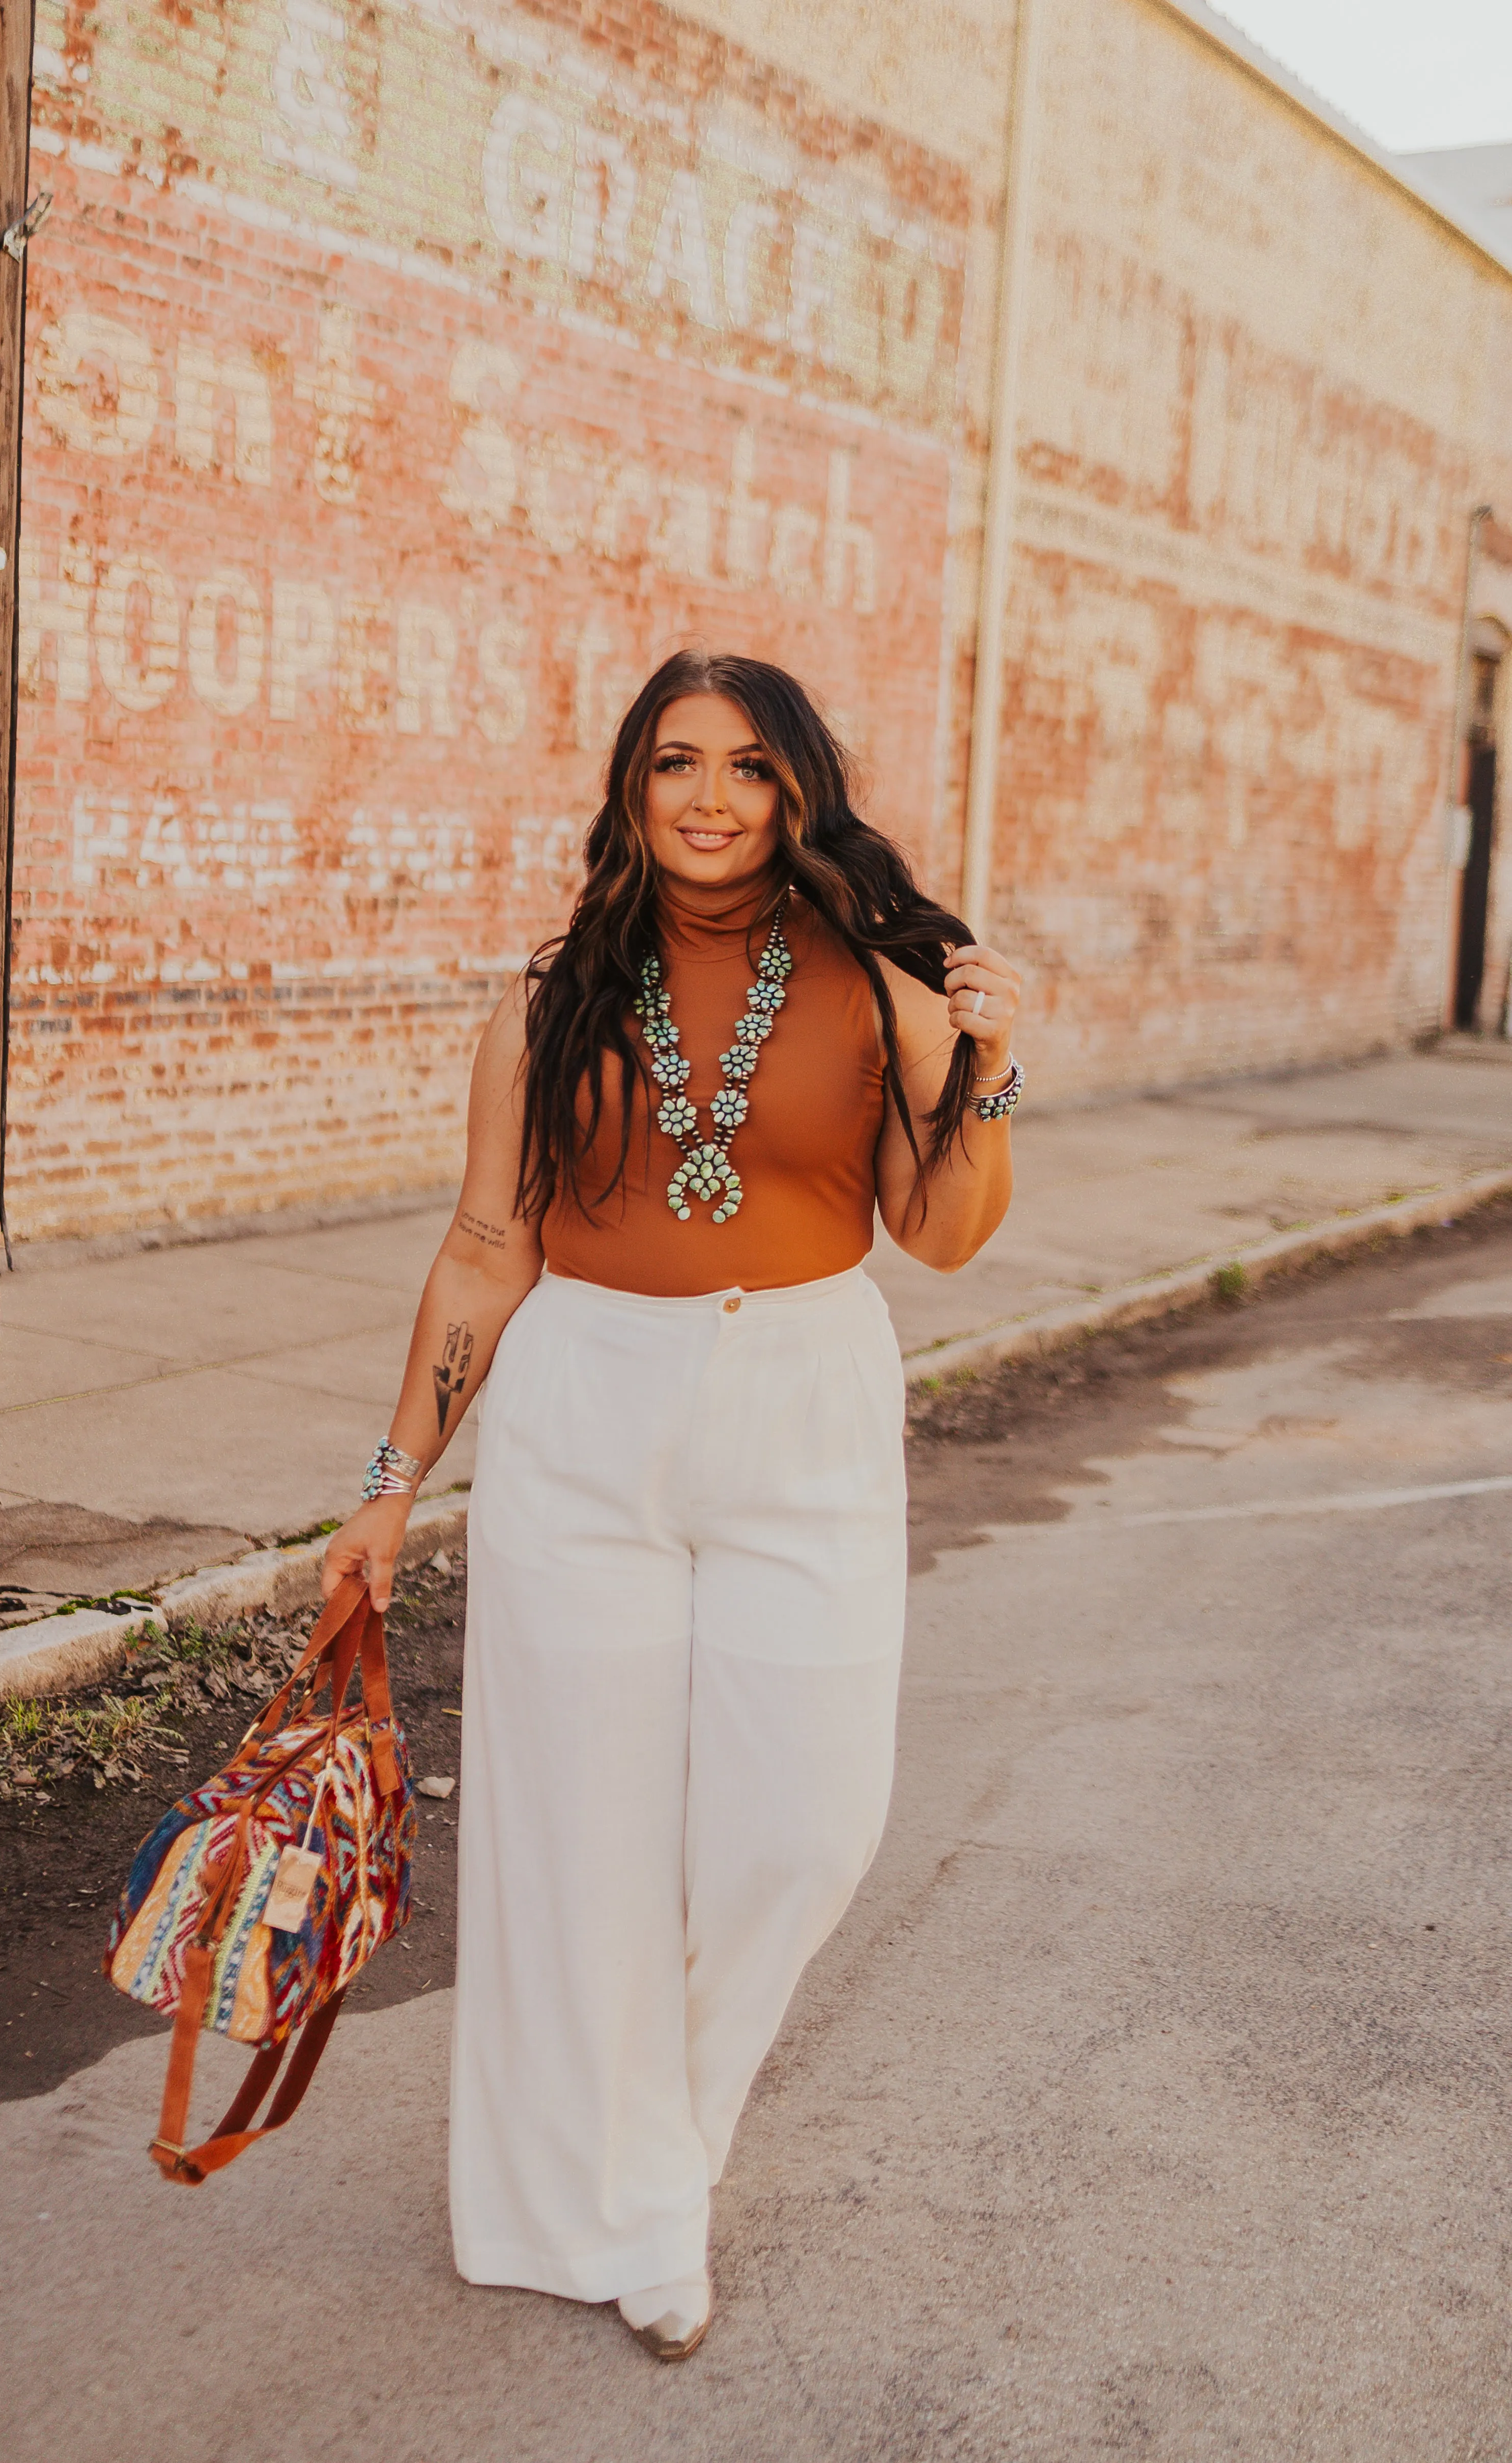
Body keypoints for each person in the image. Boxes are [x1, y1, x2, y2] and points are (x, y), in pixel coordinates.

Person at [322, 648, 1022, 2359]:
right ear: (633, 789)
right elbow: (488, 1245)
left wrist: (987, 1064)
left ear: (798, 791)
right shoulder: (551, 994)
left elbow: (944, 1230)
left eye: (749, 768)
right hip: (585, 1414)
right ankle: (640, 2206)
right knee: (586, 1846)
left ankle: (655, 2152)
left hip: (806, 1404)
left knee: (805, 1825)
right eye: (676, 763)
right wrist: (387, 1484)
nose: (712, 797)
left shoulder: (878, 973)